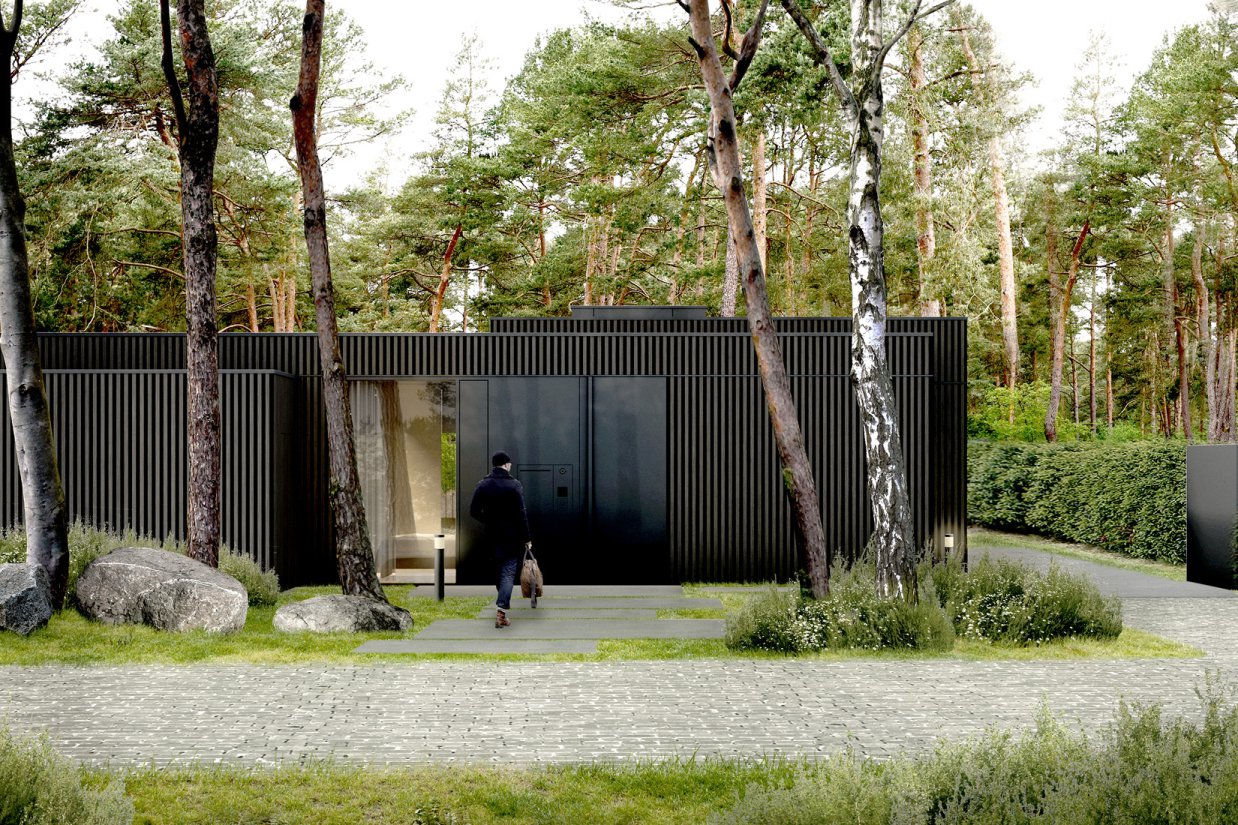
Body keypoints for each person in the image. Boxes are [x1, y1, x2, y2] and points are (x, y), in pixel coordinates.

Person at [468, 450, 531, 628]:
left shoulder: (483, 484)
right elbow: (521, 514)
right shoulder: (514, 485)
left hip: (491, 536)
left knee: (498, 572)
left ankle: (502, 608)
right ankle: (501, 612)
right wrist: (527, 537)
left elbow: (473, 511)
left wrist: (489, 520)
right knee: (508, 573)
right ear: (506, 464)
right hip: (511, 537)